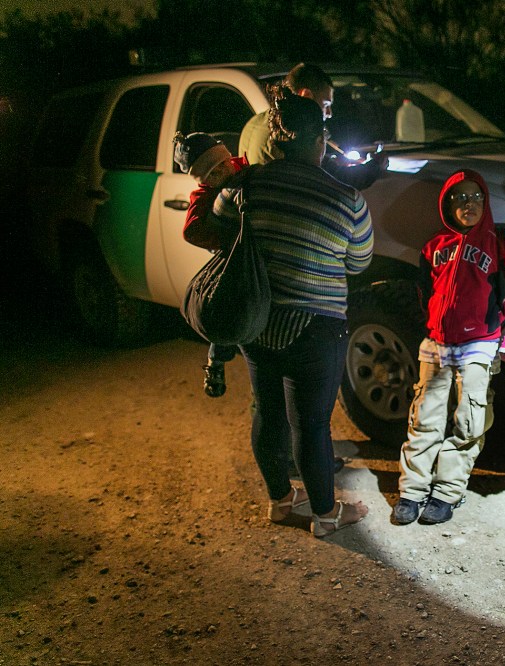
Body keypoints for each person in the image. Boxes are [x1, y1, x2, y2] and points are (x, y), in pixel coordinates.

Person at [215, 89, 373, 537]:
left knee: (267, 412)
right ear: (320, 140)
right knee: (311, 424)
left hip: (258, 318)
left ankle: (281, 502)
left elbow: (221, 221)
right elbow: (359, 262)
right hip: (315, 326)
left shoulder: (248, 184)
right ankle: (325, 514)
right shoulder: (348, 197)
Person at [392, 169, 505, 526]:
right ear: (447, 204)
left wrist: (499, 338)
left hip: (478, 346)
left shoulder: (497, 245)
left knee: (469, 421)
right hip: (437, 346)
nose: (468, 204)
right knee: (424, 418)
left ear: (484, 202)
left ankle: (446, 492)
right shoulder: (434, 246)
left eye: (475, 197)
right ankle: (412, 491)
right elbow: (424, 291)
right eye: (460, 198)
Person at [172, 131, 251, 398]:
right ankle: (216, 362)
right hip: (230, 257)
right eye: (213, 174)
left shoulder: (246, 168)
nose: (222, 174)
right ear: (204, 180)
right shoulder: (204, 195)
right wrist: (224, 240)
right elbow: (191, 230)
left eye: (223, 165)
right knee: (224, 302)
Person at [239, 62, 382, 191]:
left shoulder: (256, 122)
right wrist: (375, 165)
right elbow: (337, 179)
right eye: (326, 104)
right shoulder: (292, 130)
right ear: (306, 95)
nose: (329, 113)